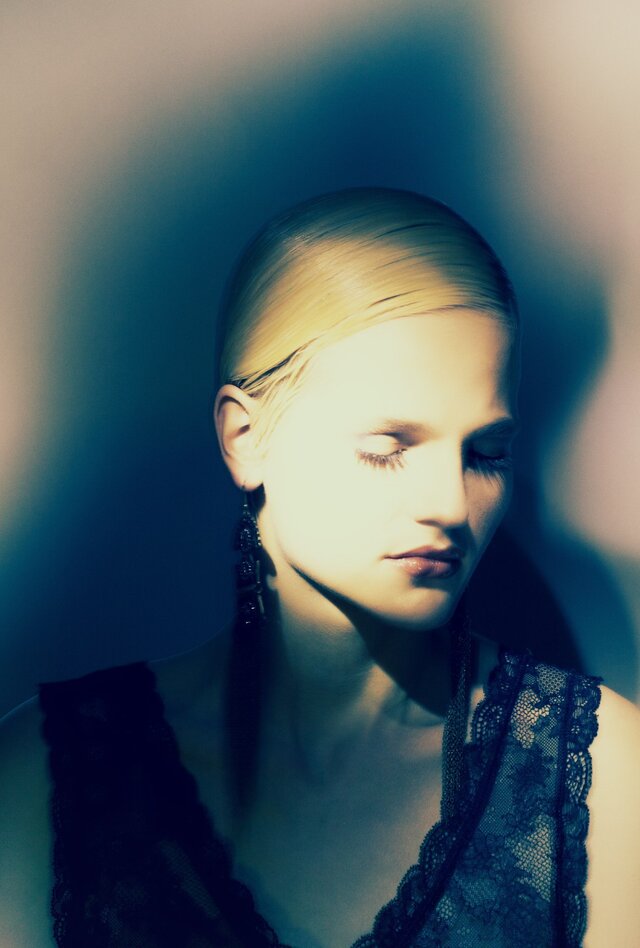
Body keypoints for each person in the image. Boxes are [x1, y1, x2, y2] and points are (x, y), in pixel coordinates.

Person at [1, 188, 639, 947]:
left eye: (485, 454)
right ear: (245, 439)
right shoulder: (44, 777)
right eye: (387, 447)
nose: (448, 503)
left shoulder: (607, 775)